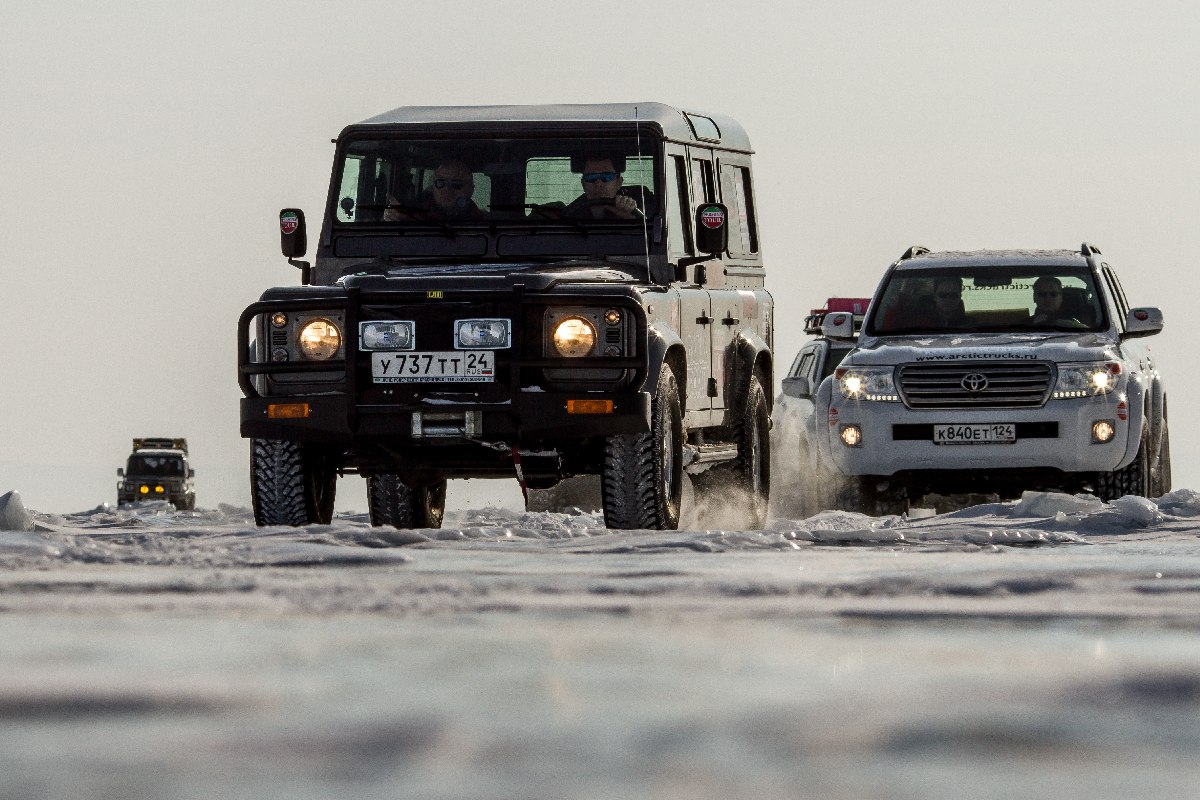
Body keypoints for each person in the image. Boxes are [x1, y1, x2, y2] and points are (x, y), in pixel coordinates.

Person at [384, 159, 484, 221]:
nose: (447, 189)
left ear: (470, 190)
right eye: (440, 183)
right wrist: (392, 216)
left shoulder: (482, 222)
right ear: (433, 187)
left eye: (456, 184)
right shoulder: (411, 213)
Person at [565, 157, 639, 219]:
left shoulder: (630, 210)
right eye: (591, 177)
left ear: (618, 183)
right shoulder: (570, 214)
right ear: (583, 184)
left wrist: (629, 218)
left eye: (606, 176)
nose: (598, 184)